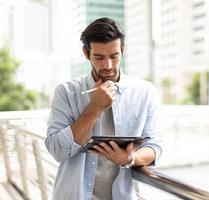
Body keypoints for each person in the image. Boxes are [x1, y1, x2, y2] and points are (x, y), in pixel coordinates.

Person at [45, 17, 162, 200]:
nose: (108, 66)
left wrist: (129, 159)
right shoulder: (66, 92)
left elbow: (155, 146)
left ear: (122, 50)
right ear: (86, 53)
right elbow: (57, 150)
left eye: (114, 56)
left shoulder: (145, 92)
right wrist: (94, 108)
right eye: (99, 57)